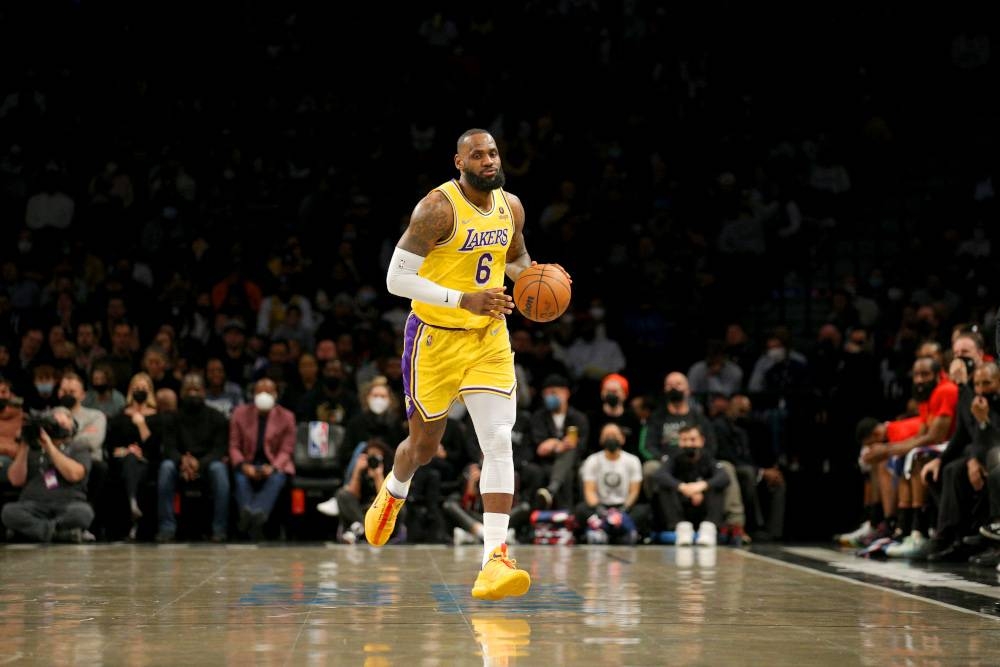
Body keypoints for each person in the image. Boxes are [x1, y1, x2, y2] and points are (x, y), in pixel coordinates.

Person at [366, 128, 570, 601]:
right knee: (423, 446)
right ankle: (395, 488)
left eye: (493, 152)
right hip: (434, 340)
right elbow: (397, 278)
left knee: (498, 441)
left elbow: (516, 259)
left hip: (488, 338)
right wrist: (464, 298)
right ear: (458, 162)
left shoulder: (511, 207)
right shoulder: (436, 209)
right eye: (476, 155)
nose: (488, 160)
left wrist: (541, 278)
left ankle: (494, 557)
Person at [2, 406, 94, 543]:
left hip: (67, 504)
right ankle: (60, 535)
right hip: (32, 505)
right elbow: (16, 480)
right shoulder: (32, 449)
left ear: (73, 426)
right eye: (55, 423)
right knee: (9, 512)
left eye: (63, 423)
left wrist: (50, 446)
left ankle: (31, 533)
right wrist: (25, 444)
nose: (58, 426)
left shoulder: (79, 447)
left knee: (83, 513)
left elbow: (74, 475)